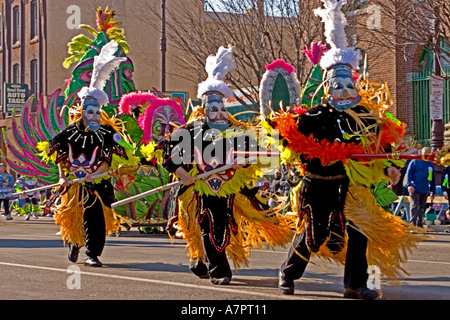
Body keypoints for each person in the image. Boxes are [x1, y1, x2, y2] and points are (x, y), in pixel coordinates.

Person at [273, 0, 425, 300]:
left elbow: (383, 147)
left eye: (347, 85)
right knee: (312, 237)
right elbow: (289, 141)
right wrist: (298, 148)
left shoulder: (367, 117)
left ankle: (355, 284)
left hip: (353, 187)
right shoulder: (314, 117)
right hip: (319, 186)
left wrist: (391, 167)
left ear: (355, 85)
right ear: (327, 88)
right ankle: (288, 272)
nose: (343, 92)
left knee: (358, 232)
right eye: (336, 86)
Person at [162, 45, 293, 285]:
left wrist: (262, 151)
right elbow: (168, 156)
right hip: (198, 190)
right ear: (204, 109)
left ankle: (208, 264)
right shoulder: (189, 131)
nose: (220, 112)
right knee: (205, 226)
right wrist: (183, 174)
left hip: (229, 188)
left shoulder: (237, 131)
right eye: (214, 108)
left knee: (221, 227)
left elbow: (262, 157)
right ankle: (214, 269)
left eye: (222, 108)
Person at [39, 41, 136, 267]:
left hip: (97, 184)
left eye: (96, 112)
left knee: (96, 220)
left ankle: (93, 254)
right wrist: (63, 177)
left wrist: (96, 174)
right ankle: (74, 243)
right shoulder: (69, 132)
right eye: (89, 111)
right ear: (82, 111)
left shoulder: (106, 133)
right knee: (74, 217)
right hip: (73, 185)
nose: (93, 115)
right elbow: (59, 156)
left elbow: (108, 159)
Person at [406, 147, 436, 227]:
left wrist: (433, 191)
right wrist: (409, 185)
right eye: (425, 151)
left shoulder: (430, 164)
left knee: (422, 207)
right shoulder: (415, 161)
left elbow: (433, 179)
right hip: (414, 188)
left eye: (429, 152)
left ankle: (419, 225)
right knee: (414, 206)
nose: (427, 153)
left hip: (425, 189)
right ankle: (413, 225)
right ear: (421, 152)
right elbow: (409, 174)